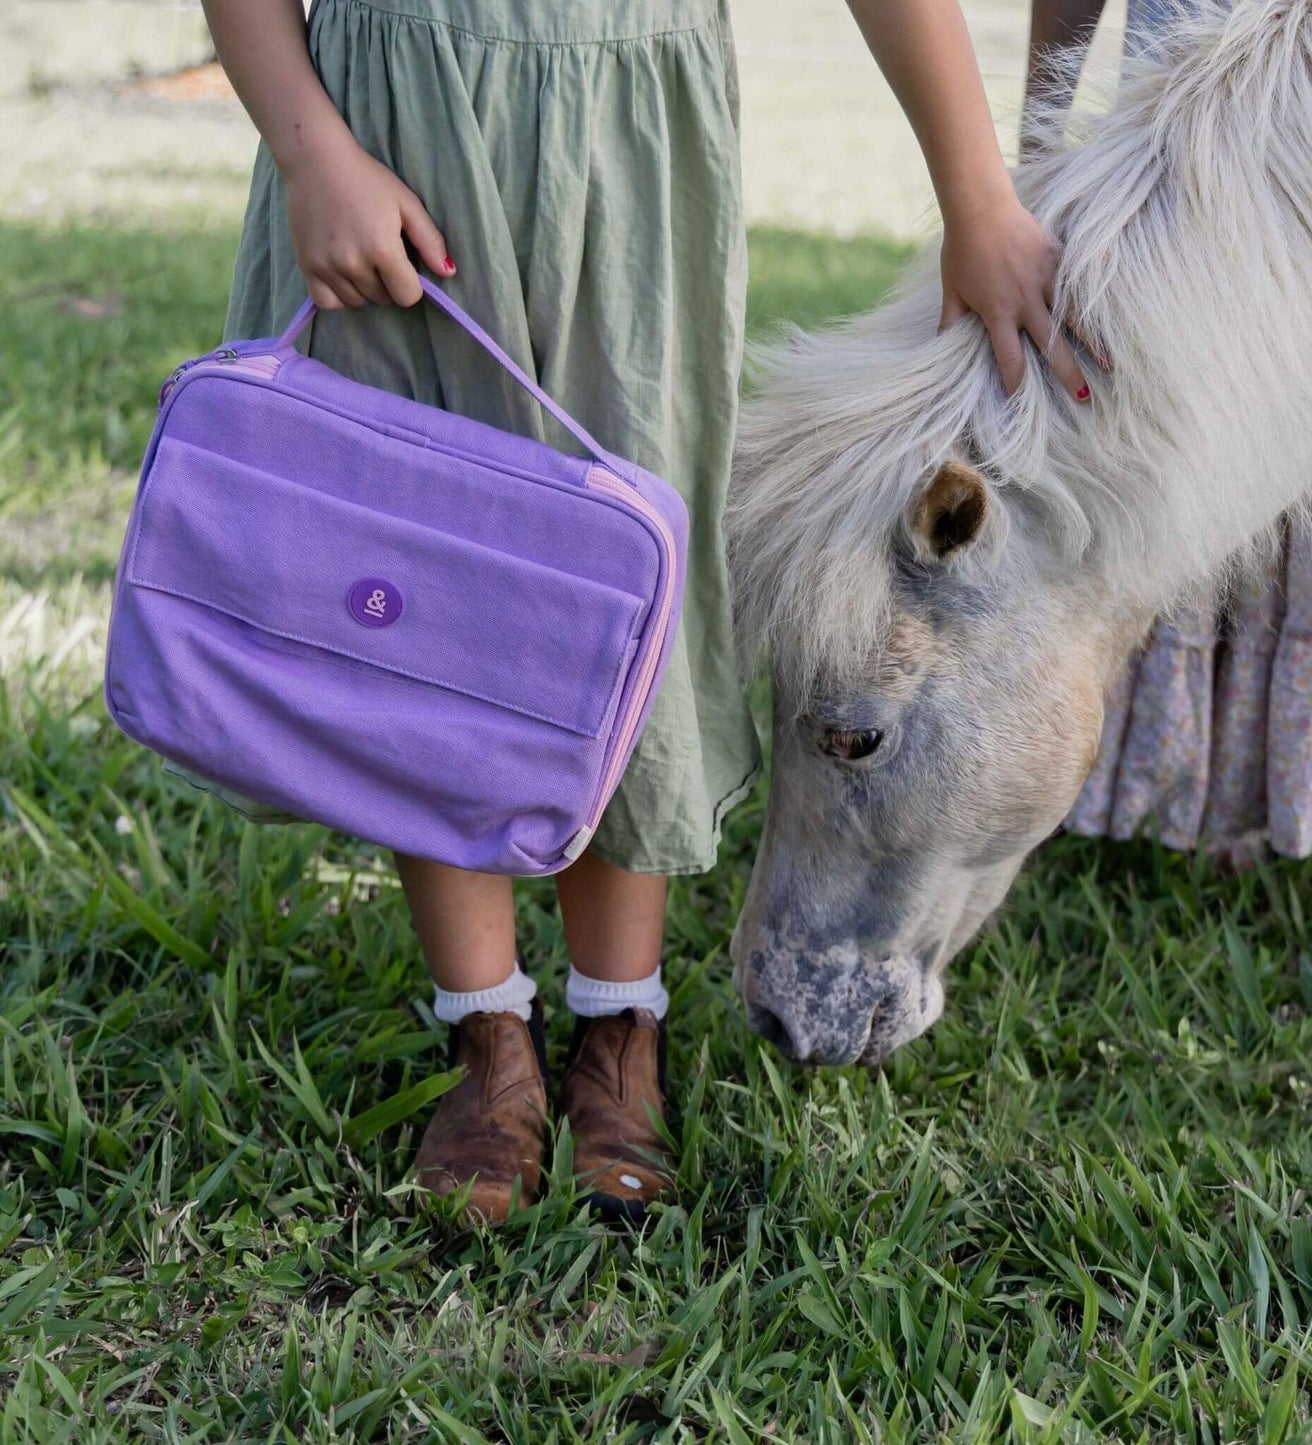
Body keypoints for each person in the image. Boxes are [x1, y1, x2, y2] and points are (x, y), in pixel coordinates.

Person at [198, 0, 1090, 1225]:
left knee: (623, 571)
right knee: (425, 583)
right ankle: (487, 1035)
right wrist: (311, 153)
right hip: (387, 112)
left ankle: (621, 1031)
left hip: (634, 126)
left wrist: (975, 195)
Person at [1025, 0, 1312, 863]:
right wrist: (1039, 151)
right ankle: (1148, 785)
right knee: (1164, 446)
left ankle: (1287, 792)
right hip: (1178, 139)